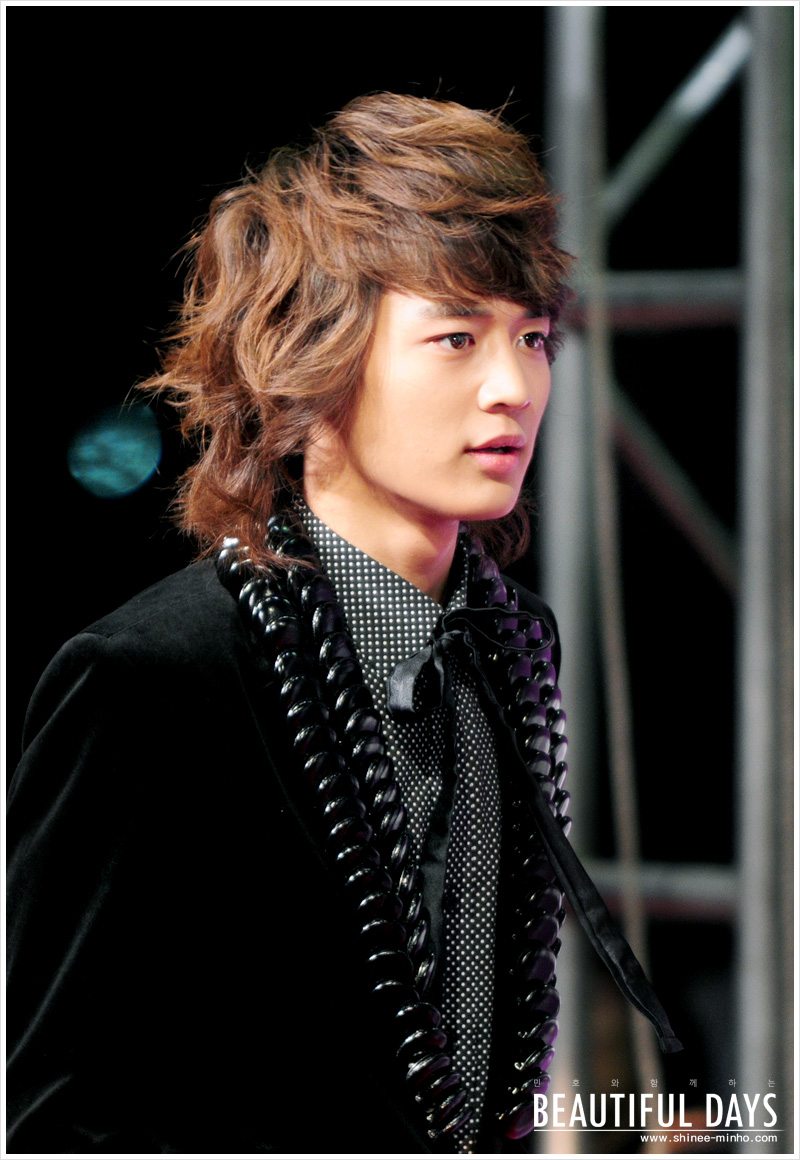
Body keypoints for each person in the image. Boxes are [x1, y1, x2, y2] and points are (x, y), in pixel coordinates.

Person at [6, 93, 679, 1156]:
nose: (513, 387)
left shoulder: (513, 643)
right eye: (455, 337)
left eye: (533, 337)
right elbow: (52, 1114)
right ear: (314, 355)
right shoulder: (151, 677)